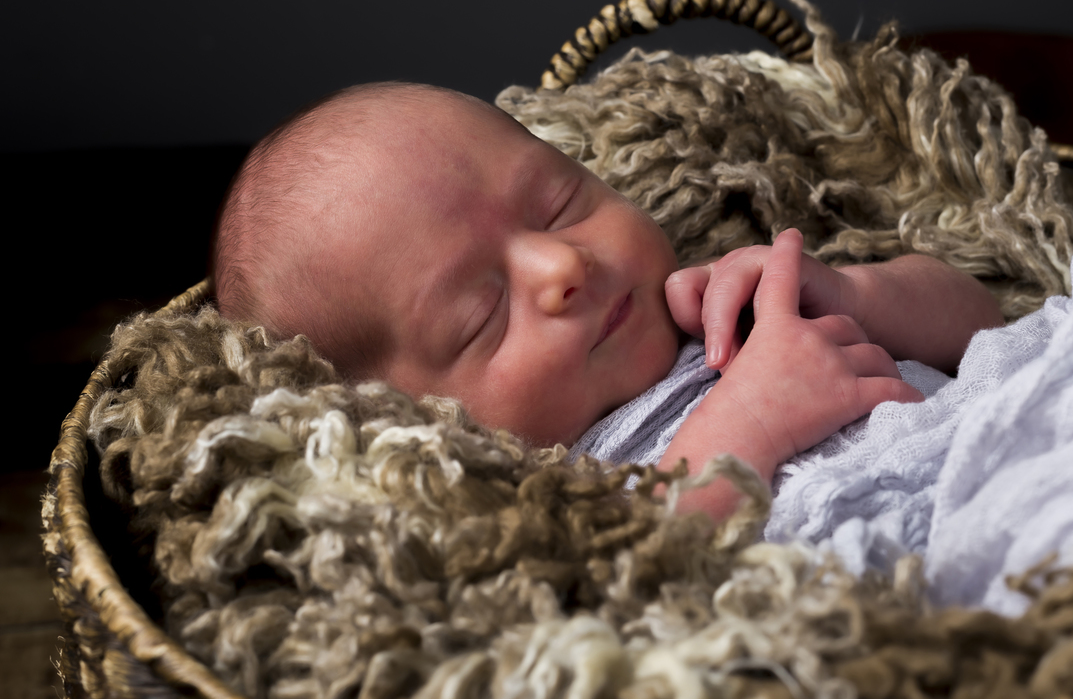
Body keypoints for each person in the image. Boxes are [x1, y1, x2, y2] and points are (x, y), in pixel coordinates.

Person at [213, 81, 1004, 521]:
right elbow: (622, 588)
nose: (563, 263)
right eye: (482, 315)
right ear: (406, 423)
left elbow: (990, 324)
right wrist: (748, 428)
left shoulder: (731, 299)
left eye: (559, 201)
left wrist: (857, 293)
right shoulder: (535, 493)